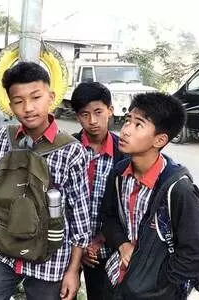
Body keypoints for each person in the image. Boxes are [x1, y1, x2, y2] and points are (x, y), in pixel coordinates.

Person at [0, 62, 91, 300]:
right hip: (6, 250)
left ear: (51, 97)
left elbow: (80, 219)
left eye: (36, 97)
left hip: (51, 259)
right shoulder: (3, 138)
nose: (28, 108)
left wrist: (73, 271)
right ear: (10, 104)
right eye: (18, 101)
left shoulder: (72, 151)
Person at [101, 93, 199, 299]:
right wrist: (122, 244)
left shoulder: (178, 189)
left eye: (138, 125)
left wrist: (159, 281)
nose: (125, 130)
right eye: (128, 121)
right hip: (118, 280)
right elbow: (108, 217)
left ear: (160, 139)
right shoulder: (120, 173)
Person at [70, 82, 126, 300]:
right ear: (77, 116)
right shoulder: (68, 148)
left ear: (110, 110)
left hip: (104, 249)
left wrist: (99, 240)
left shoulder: (125, 154)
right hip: (69, 245)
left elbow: (126, 209)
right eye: (85, 114)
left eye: (98, 112)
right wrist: (79, 246)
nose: (92, 121)